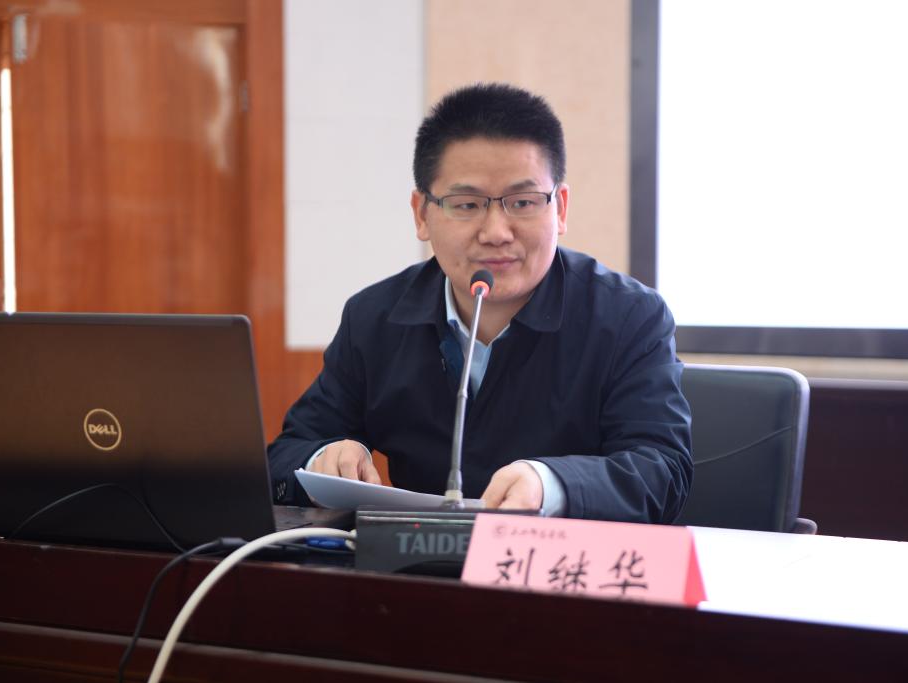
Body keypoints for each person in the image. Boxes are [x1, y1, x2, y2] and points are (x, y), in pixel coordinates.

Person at [268, 83, 692, 523]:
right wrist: (322, 459)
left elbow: (661, 472)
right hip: (418, 558)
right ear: (422, 214)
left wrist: (552, 485)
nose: (496, 232)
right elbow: (284, 455)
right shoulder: (375, 318)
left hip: (561, 561)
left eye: (523, 202)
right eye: (466, 204)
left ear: (560, 208)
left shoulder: (628, 317)